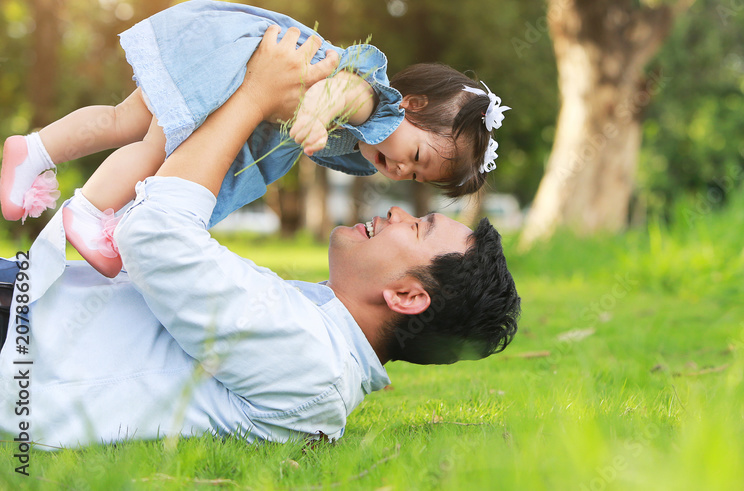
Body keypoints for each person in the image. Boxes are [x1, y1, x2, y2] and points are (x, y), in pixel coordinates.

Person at [0, 28, 520, 448]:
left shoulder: (310, 362)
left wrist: (253, 96)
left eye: (418, 227)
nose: (396, 211)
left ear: (407, 296)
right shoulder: (316, 327)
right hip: (30, 303)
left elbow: (153, 236)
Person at [0, 0, 510, 276]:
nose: (401, 171)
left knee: (123, 120)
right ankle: (89, 212)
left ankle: (33, 151)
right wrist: (314, 114)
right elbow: (340, 92)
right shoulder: (375, 102)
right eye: (416, 156)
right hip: (237, 72)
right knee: (154, 145)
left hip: (224, 58)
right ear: (413, 107)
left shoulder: (370, 144)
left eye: (416, 175)